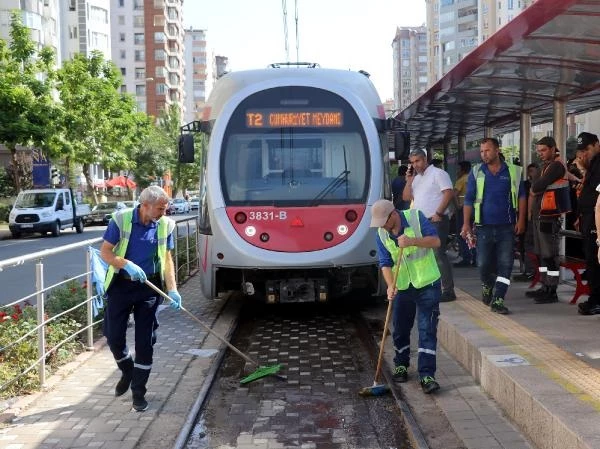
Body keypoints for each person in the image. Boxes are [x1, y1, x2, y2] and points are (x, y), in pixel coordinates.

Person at [99, 185, 182, 412]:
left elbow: (167, 260)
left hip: (149, 288)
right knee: (114, 337)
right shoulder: (121, 220)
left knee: (145, 342)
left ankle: (138, 392)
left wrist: (173, 289)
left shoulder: (165, 225)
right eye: (160, 208)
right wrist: (126, 263)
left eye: (165, 208)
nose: (164, 212)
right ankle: (127, 370)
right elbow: (105, 252)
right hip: (121, 286)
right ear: (144, 205)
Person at [370, 199, 441, 394]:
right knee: (400, 329)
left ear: (393, 214)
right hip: (402, 288)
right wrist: (390, 285)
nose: (382, 226)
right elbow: (384, 263)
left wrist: (411, 241)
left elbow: (435, 241)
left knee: (427, 329)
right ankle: (401, 365)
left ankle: (427, 375)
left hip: (428, 284)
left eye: (384, 221)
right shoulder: (381, 234)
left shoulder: (416, 218)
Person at [461, 137, 527, 314]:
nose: (484, 154)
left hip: (507, 226)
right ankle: (487, 285)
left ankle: (498, 299)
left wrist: (521, 220)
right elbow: (468, 199)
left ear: (497, 150)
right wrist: (466, 224)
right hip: (483, 227)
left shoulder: (513, 171)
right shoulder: (476, 172)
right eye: (481, 151)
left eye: (487, 150)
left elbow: (522, 196)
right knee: (483, 263)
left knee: (505, 264)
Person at [402, 149, 457, 302]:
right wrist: (409, 181)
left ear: (425, 159)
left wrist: (438, 213)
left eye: (417, 161)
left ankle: (448, 290)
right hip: (420, 222)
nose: (415, 165)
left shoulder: (438, 173)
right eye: (412, 162)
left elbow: (448, 193)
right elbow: (406, 197)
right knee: (424, 256)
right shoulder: (416, 178)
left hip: (436, 220)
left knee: (438, 254)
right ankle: (431, 286)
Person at [526, 137, 570, 304]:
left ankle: (552, 290)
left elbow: (536, 186)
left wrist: (534, 188)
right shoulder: (545, 166)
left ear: (553, 149)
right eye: (539, 151)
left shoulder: (557, 166)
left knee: (550, 255)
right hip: (540, 215)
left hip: (549, 217)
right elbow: (535, 185)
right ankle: (545, 285)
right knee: (541, 254)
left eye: (543, 150)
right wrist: (535, 187)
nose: (541, 154)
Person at [574, 132, 600, 315]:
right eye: (582, 151)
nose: (585, 153)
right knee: (591, 260)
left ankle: (596, 300)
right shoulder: (593, 164)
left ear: (596, 144)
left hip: (596, 221)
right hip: (589, 218)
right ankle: (595, 298)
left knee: (594, 261)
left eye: (587, 149)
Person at [514, 163, 541, 282]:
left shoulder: (540, 184)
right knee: (524, 245)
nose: (531, 174)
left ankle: (532, 271)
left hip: (536, 219)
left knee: (532, 245)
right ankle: (528, 269)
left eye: (533, 171)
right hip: (524, 219)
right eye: (529, 171)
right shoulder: (525, 185)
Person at [453, 161, 475, 267]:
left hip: (463, 209)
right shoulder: (472, 178)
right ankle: (475, 257)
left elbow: (454, 194)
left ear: (462, 169)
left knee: (462, 233)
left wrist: (457, 206)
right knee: (473, 233)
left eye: (458, 169)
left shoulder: (460, 180)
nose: (457, 171)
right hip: (474, 209)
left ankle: (466, 258)